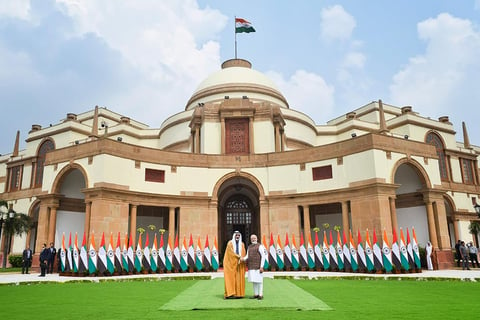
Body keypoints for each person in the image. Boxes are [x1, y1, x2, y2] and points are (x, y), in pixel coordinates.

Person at [241, 234, 267, 300]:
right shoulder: (249, 247)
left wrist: (261, 266)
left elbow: (263, 256)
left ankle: (260, 295)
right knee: (254, 280)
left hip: (258, 267)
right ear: (250, 239)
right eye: (252, 238)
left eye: (254, 238)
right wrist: (242, 259)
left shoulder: (260, 246)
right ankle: (256, 294)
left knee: (259, 281)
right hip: (251, 266)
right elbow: (247, 256)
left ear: (257, 239)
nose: (253, 239)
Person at [223, 231, 246, 299]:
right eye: (236, 235)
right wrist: (238, 257)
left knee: (239, 279)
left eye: (238, 235)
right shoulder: (230, 243)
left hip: (239, 264)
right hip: (231, 264)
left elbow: (243, 253)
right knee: (230, 279)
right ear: (234, 236)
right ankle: (229, 294)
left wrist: (242, 259)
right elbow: (230, 253)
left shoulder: (242, 244)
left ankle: (238, 294)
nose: (237, 237)